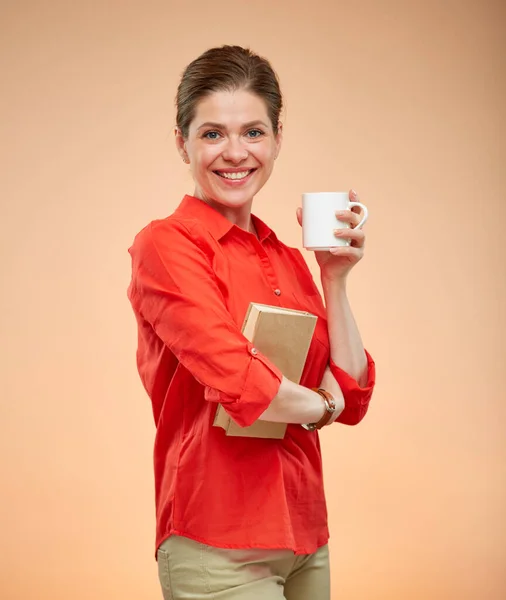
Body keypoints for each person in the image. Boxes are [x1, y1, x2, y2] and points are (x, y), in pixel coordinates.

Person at [127, 45, 376, 600]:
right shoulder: (167, 246)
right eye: (212, 133)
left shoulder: (289, 258)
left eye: (254, 133)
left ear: (278, 138)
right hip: (217, 539)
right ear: (181, 142)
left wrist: (334, 278)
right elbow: (244, 381)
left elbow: (353, 388)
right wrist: (323, 404)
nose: (235, 153)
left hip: (305, 534)